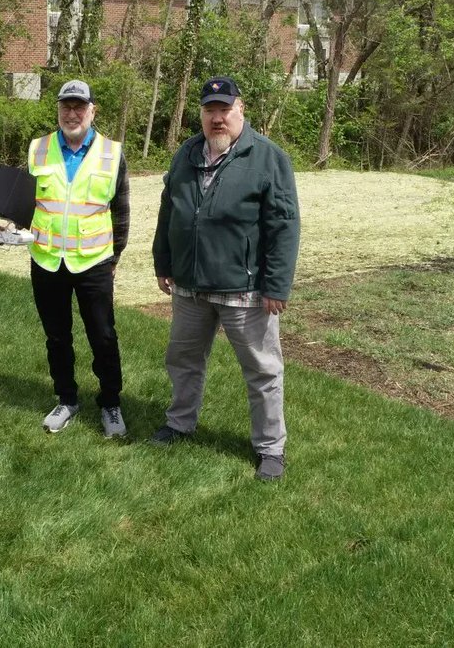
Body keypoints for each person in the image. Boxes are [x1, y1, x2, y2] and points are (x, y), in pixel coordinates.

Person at [150, 76, 300, 480]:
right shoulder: (186, 154)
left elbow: (284, 224)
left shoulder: (268, 157)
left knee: (262, 370)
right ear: (200, 114)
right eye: (209, 110)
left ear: (241, 110)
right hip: (189, 286)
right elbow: (170, 211)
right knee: (182, 360)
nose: (217, 119)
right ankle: (180, 422)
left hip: (245, 290)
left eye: (224, 110)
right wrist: (163, 262)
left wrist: (276, 284)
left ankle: (270, 448)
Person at [28, 79, 130, 438]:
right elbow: (27, 204)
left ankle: (111, 403)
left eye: (79, 107)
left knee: (102, 336)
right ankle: (67, 399)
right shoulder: (38, 149)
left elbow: (120, 211)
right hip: (46, 260)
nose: (72, 114)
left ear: (92, 110)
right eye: (65, 107)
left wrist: (113, 258)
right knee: (57, 337)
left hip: (94, 263)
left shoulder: (111, 153)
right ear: (58, 110)